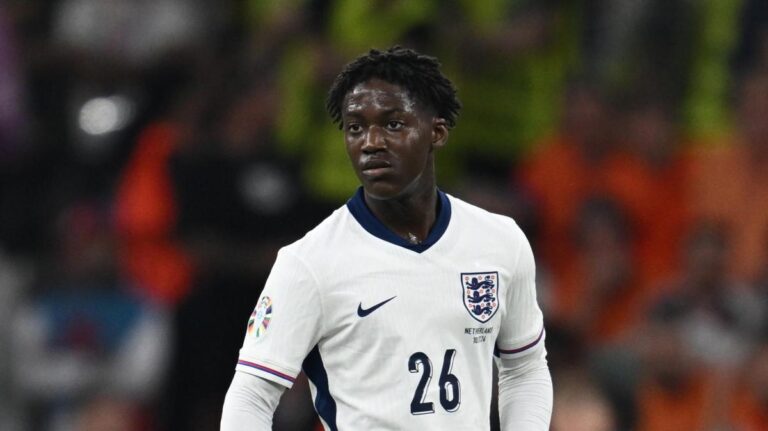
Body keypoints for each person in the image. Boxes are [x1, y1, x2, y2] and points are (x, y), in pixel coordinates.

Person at [220, 46, 552, 430]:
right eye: (355, 128)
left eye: (393, 124)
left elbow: (524, 367)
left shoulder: (499, 241)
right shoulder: (309, 263)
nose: (371, 142)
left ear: (437, 132)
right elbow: (251, 395)